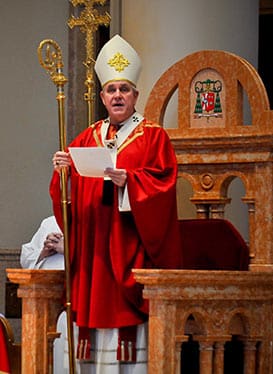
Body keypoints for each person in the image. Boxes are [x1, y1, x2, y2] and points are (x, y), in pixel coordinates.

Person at [50, 34, 182, 373]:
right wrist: (63, 174)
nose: (118, 96)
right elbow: (68, 199)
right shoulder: (86, 137)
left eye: (124, 89)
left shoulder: (152, 136)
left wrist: (131, 183)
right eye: (111, 90)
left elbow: (164, 185)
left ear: (135, 95)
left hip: (128, 246)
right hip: (94, 253)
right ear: (102, 96)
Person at [20, 215, 69, 374]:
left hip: (72, 300)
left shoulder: (92, 218)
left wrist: (68, 248)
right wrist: (43, 252)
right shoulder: (49, 222)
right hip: (44, 302)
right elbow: (26, 259)